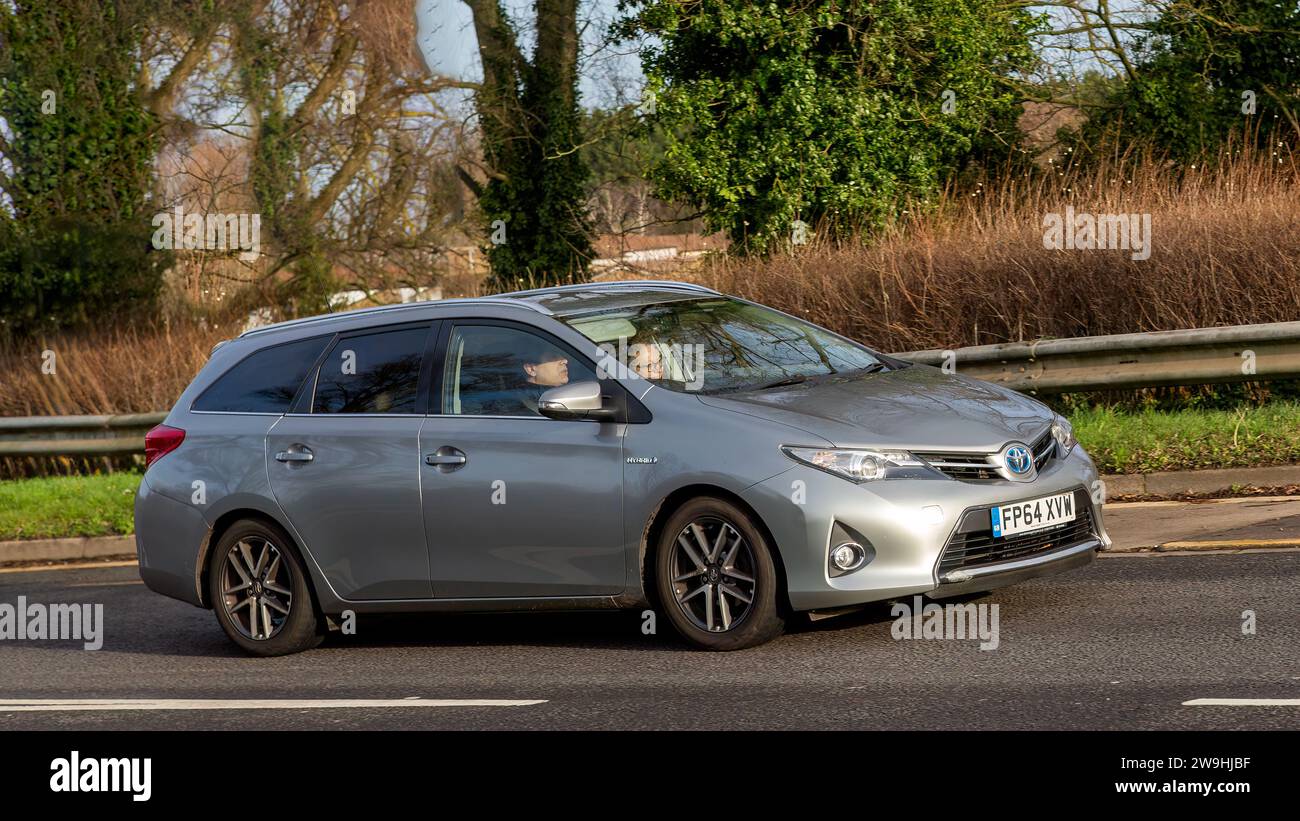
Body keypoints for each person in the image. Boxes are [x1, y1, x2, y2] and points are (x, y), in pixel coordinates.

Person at [487, 340, 570, 415]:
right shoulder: (512, 409)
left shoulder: (541, 396)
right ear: (531, 369)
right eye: (553, 357)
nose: (565, 361)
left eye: (562, 355)